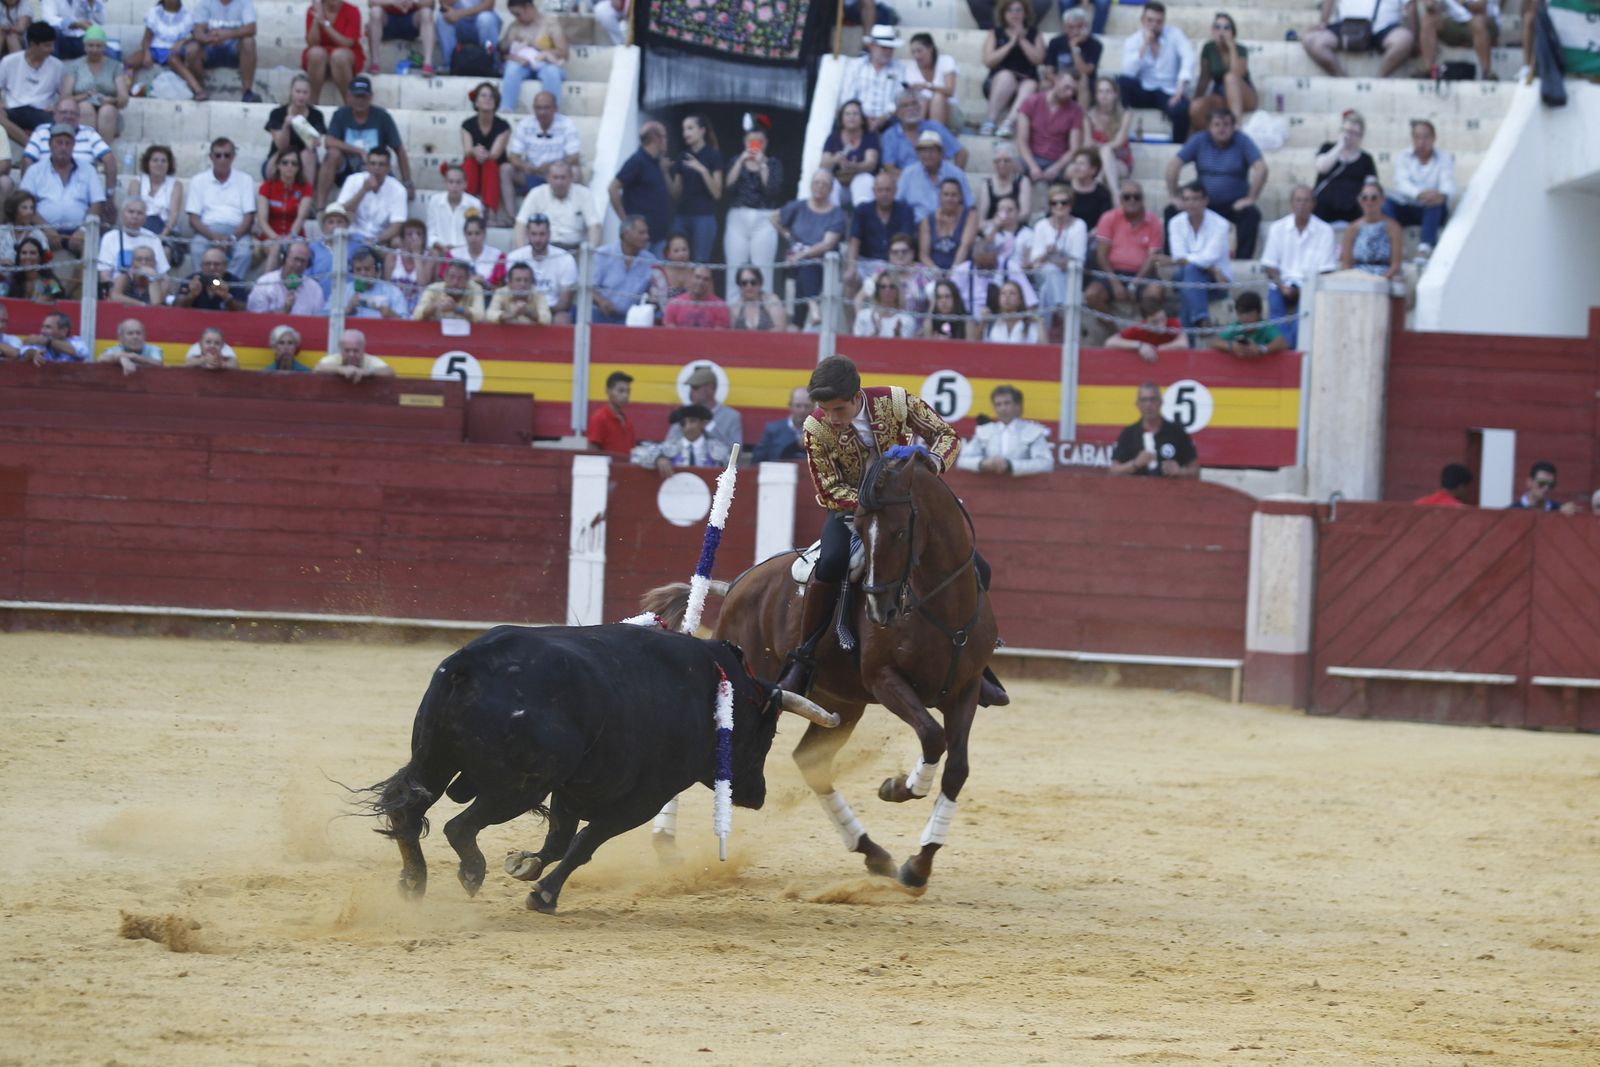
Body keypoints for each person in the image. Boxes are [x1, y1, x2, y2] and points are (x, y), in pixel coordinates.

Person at [774, 355, 1008, 706]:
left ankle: (976, 661)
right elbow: (827, 489)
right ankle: (804, 657)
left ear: (857, 396)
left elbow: (946, 435)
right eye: (825, 410)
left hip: (908, 511)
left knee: (978, 568)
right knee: (832, 562)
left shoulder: (895, 401)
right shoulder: (816, 427)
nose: (832, 419)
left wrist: (931, 462)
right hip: (851, 513)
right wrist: (872, 506)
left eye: (838, 409)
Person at [1165, 106, 1266, 258]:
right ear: (1209, 127)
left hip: (1233, 204)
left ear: (1233, 127)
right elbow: (1174, 165)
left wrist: (1250, 198)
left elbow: (1261, 168)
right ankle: (1171, 258)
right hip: (1201, 202)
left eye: (1226, 125)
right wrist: (1174, 195)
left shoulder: (1243, 141)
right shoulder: (1199, 139)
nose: (1222, 129)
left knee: (1251, 214)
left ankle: (1242, 261)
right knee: (1171, 210)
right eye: (1217, 125)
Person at [1260, 184, 1336, 349]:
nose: (1302, 205)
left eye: (1306, 200)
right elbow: (1270, 266)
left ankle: (1287, 349)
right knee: (1276, 307)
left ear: (1313, 204)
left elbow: (1326, 270)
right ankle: (1289, 349)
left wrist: (1302, 290)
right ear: (1291, 203)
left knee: (1303, 315)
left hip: (1309, 286)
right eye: (1298, 200)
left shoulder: (1325, 231)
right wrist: (1282, 286)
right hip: (1281, 284)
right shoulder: (1277, 228)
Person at [318, 76, 409, 213]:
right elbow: (328, 141)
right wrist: (358, 151)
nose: (359, 101)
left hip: (376, 167)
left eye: (363, 97)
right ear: (348, 96)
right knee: (332, 154)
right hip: (347, 168)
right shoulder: (341, 115)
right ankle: (320, 207)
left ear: (371, 97)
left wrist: (408, 182)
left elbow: (399, 149)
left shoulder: (382, 116)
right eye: (356, 96)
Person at [18, 121, 102, 255]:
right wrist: (46, 229)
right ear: (50, 145)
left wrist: (83, 230)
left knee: (91, 245)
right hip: (41, 229)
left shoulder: (88, 170)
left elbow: (97, 203)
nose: (63, 147)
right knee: (29, 245)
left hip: (79, 230)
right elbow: (25, 204)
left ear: (73, 146)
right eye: (59, 142)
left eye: (67, 143)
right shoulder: (35, 170)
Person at [1118, 2, 1196, 144]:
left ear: (1164, 21)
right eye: (1150, 20)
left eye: (1158, 21)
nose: (1154, 25)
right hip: (1145, 89)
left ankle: (1177, 147)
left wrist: (1180, 86)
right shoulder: (1133, 40)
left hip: (1168, 90)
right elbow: (1128, 71)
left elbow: (1188, 56)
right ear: (1142, 20)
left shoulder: (1174, 34)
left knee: (1181, 110)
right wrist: (1145, 45)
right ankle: (1122, 127)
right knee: (1122, 82)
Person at [1086, 177, 1165, 314]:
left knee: (1155, 293)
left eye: (1136, 197)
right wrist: (1115, 283)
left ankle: (1144, 333)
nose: (1132, 200)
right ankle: (1116, 332)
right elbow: (1101, 256)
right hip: (1111, 272)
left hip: (1143, 274)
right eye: (1127, 197)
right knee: (1092, 295)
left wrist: (1134, 284)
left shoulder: (1154, 221)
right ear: (1121, 199)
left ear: (1143, 199)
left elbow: (1153, 258)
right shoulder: (1108, 217)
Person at [721, 125, 783, 299]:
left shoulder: (773, 163)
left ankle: (765, 315)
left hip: (763, 218)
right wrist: (741, 161)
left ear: (765, 143)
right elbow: (728, 187)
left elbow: (772, 190)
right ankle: (734, 314)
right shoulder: (736, 161)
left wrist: (762, 164)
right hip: (738, 217)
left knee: (763, 270)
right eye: (750, 141)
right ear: (744, 142)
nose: (754, 145)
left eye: (759, 142)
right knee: (734, 268)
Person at [775, 168, 847, 319]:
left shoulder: (837, 214)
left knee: (807, 265)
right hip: (796, 263)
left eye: (824, 184)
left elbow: (827, 244)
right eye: (816, 183)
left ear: (831, 188)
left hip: (822, 263)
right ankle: (811, 307)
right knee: (803, 267)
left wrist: (803, 254)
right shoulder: (798, 207)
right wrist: (787, 235)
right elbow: (774, 217)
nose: (819, 187)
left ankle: (804, 314)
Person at [1384, 119, 1456, 259]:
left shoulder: (1444, 157)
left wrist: (1440, 196)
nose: (1421, 142)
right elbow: (1401, 183)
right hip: (1409, 206)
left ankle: (1425, 248)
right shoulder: (1403, 157)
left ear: (1433, 138)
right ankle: (1397, 247)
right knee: (1386, 204)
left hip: (1432, 208)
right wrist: (1419, 194)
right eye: (1417, 137)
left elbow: (1448, 184)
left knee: (1435, 204)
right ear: (1412, 138)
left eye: (1426, 137)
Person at [186, 135, 255, 278]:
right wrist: (213, 237)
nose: (222, 159)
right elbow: (193, 219)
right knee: (197, 248)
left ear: (233, 157)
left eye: (227, 155)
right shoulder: (198, 181)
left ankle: (229, 289)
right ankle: (203, 287)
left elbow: (249, 217)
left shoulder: (246, 180)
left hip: (237, 232)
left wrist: (232, 238)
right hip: (207, 231)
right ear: (211, 157)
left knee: (244, 252)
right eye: (218, 155)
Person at [1166, 181, 1232, 328]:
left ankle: (1190, 335)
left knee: (1187, 281)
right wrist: (1212, 269)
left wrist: (1203, 265)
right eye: (1186, 199)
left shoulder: (1220, 224)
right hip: (1211, 274)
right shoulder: (1174, 222)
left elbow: (1210, 256)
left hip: (1216, 282)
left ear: (1205, 201)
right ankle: (1201, 319)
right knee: (1189, 275)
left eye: (1195, 199)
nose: (1191, 204)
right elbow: (1178, 255)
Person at [957, 384, 1054, 477]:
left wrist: (1010, 465)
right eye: (998, 404)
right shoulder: (985, 431)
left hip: (1023, 489)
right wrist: (984, 463)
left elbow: (1045, 463)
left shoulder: (1032, 431)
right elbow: (963, 460)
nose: (1002, 408)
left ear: (1017, 406)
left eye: (1007, 403)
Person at [979, 0, 1043, 139]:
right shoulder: (995, 33)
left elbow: (1038, 59)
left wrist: (1021, 40)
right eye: (1010, 10)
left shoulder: (1034, 33)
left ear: (1025, 13)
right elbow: (988, 61)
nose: (1015, 14)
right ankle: (990, 121)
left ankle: (1008, 123)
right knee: (1006, 76)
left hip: (1027, 80)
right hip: (998, 81)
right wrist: (1010, 43)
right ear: (1003, 14)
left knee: (1031, 84)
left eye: (1018, 10)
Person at [1302, 0, 1414, 79]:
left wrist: (1415, 37)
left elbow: (1411, 6)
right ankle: (1341, 79)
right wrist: (1323, 22)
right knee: (1311, 40)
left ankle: (1379, 79)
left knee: (1405, 39)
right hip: (1345, 28)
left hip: (1383, 29)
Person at [609, 119, 672, 254]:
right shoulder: (637, 161)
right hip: (641, 239)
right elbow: (613, 188)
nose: (667, 141)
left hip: (658, 235)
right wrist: (625, 220)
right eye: (664, 136)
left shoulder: (657, 162)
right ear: (656, 138)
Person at [1110, 381, 1198, 477]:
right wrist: (1135, 464)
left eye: (1153, 399)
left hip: (1170, 490)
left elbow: (1196, 472)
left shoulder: (1177, 432)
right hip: (1137, 490)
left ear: (1160, 402)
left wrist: (1180, 471)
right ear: (1137, 404)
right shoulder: (1128, 433)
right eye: (1144, 400)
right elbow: (1113, 471)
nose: (1148, 405)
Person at [505, 89, 579, 202]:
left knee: (575, 171)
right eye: (538, 108)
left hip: (557, 173)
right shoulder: (525, 124)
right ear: (534, 109)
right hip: (531, 172)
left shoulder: (567, 124)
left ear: (555, 108)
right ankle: (509, 215)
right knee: (505, 169)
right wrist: (526, 166)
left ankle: (571, 209)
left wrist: (553, 167)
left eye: (546, 108)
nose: (542, 112)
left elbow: (574, 157)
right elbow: (513, 156)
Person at [60, 25, 128, 143]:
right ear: (84, 47)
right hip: (81, 109)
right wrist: (84, 96)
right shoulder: (74, 65)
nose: (95, 49)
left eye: (99, 46)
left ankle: (102, 153)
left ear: (104, 47)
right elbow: (65, 97)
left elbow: (124, 98)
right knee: (85, 108)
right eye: (91, 45)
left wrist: (111, 100)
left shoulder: (115, 66)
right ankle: (87, 150)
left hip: (108, 111)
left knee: (107, 111)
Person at [0, 23, 64, 148]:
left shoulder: (58, 66)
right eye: (47, 45)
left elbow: (65, 94)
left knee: (61, 121)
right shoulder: (9, 61)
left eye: (52, 44)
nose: (52, 49)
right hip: (14, 108)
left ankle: (31, 149)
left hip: (42, 111)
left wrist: (57, 105)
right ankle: (32, 148)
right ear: (33, 44)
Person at [1015, 70, 1084, 186]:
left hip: (1057, 160)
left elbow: (1074, 148)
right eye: (1067, 87)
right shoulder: (1031, 102)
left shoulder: (1076, 110)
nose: (1069, 93)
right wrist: (1033, 167)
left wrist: (1056, 168)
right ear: (1056, 81)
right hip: (1032, 157)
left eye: (1073, 90)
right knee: (1010, 165)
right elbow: (1021, 141)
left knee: (1074, 170)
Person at [1026, 183, 1087, 313]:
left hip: (1070, 274)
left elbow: (1077, 259)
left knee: (1047, 288)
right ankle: (1061, 311)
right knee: (1051, 271)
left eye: (1063, 203)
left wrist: (1051, 258)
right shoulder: (1041, 226)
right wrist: (1048, 255)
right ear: (1050, 205)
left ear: (1070, 205)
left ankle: (1055, 314)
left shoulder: (1079, 225)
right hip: (1045, 275)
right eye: (1054, 203)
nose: (1059, 206)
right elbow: (1035, 261)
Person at [128, 0, 206, 101]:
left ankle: (198, 90)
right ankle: (127, 90)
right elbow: (147, 38)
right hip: (154, 49)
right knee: (130, 62)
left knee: (173, 59)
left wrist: (182, 42)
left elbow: (193, 36)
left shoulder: (186, 15)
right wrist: (147, 53)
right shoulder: (154, 12)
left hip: (173, 51)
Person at [1190, 12, 1254, 133]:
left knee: (1230, 78)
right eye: (1218, 27)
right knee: (1196, 107)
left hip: (1243, 94)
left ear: (1233, 32)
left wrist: (1231, 47)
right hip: (1220, 94)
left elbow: (1238, 75)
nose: (1222, 31)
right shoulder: (1208, 48)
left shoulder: (1241, 49)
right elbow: (1204, 79)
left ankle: (1236, 128)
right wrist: (1195, 100)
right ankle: (1211, 139)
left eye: (1226, 28)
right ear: (1213, 31)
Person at [514, 159, 596, 252]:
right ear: (548, 178)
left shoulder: (584, 194)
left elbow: (594, 225)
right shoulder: (536, 193)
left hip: (573, 250)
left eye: (563, 177)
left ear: (571, 177)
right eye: (555, 177)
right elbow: (521, 224)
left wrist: (592, 251)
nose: (559, 182)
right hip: (542, 249)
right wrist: (522, 252)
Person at [505, 213, 575, 321]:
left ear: (549, 234)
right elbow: (508, 293)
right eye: (534, 234)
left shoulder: (565, 259)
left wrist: (538, 313)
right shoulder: (514, 257)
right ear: (527, 234)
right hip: (519, 310)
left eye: (542, 234)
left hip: (552, 311)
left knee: (562, 318)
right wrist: (524, 310)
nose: (537, 239)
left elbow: (564, 303)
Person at [337, 147, 407, 255]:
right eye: (373, 164)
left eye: (381, 164)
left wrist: (374, 241)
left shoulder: (398, 190)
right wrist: (363, 191)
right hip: (352, 236)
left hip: (381, 240)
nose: (376, 168)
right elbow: (341, 212)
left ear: (388, 168)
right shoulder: (352, 180)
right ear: (367, 166)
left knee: (396, 243)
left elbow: (396, 226)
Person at [672, 113, 723, 263]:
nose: (685, 133)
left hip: (704, 216)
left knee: (700, 262)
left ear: (702, 130)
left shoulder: (714, 155)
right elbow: (676, 193)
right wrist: (664, 172)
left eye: (690, 128)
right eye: (684, 129)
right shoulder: (682, 156)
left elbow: (717, 193)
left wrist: (702, 170)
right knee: (676, 259)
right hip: (682, 214)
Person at [848, 169, 914, 284]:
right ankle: (848, 303)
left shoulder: (905, 211)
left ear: (895, 191)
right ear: (874, 191)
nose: (884, 194)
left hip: (895, 263)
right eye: (880, 190)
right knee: (851, 278)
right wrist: (851, 267)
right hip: (866, 263)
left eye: (888, 190)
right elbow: (855, 240)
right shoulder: (862, 210)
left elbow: (905, 241)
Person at [878, 89, 967, 173]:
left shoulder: (934, 127)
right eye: (905, 106)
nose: (911, 108)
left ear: (920, 107)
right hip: (906, 182)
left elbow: (962, 153)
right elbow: (889, 168)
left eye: (914, 104)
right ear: (897, 113)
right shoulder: (890, 135)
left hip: (936, 182)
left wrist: (954, 178)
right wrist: (913, 180)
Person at [1313, 109, 1376, 226]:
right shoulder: (1327, 148)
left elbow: (1371, 185)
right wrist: (1340, 147)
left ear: (1360, 136)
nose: (1349, 136)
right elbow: (1321, 167)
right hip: (1325, 205)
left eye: (1354, 133)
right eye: (1346, 131)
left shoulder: (1366, 159)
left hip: (1353, 207)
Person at [264, 72, 324, 192]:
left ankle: (306, 198)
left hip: (305, 161)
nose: (301, 96)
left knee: (308, 154)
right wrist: (286, 126)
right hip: (279, 157)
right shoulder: (278, 113)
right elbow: (281, 146)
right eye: (298, 91)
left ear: (310, 94)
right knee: (287, 158)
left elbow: (313, 144)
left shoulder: (316, 115)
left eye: (305, 92)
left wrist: (301, 125)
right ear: (291, 92)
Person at [897, 129, 972, 224]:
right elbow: (897, 204)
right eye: (923, 151)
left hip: (950, 226)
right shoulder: (908, 173)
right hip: (917, 227)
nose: (927, 155)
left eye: (932, 151)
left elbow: (970, 206)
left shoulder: (956, 174)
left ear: (941, 153)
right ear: (918, 154)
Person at [499, 0, 564, 109]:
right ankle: (506, 109)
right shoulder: (515, 26)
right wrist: (511, 49)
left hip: (546, 64)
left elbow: (563, 53)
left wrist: (537, 47)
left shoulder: (551, 24)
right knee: (511, 68)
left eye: (518, 14)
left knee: (552, 71)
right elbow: (503, 53)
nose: (516, 18)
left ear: (528, 7)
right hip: (522, 64)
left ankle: (553, 111)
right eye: (514, 15)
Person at [591, 215, 655, 324]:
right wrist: (602, 302)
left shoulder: (650, 260)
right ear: (626, 234)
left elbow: (655, 289)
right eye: (641, 233)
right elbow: (588, 288)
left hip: (632, 317)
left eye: (646, 233)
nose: (646, 237)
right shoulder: (602, 254)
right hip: (601, 313)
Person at [458, 82, 508, 221]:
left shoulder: (503, 126)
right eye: (483, 95)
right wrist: (474, 151)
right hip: (474, 165)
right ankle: (467, 208)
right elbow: (467, 150)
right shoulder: (467, 125)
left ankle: (490, 212)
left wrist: (481, 153)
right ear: (476, 102)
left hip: (493, 167)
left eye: (491, 96)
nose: (488, 99)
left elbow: (495, 154)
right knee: (470, 163)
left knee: (490, 164)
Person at [254, 148, 313, 264]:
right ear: (278, 166)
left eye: (294, 163)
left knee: (295, 251)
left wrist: (290, 237)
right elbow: (262, 220)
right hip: (270, 236)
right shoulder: (267, 186)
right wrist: (276, 238)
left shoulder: (306, 188)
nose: (289, 166)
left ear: (299, 167)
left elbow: (301, 217)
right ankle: (269, 282)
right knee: (276, 248)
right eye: (285, 162)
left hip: (296, 236)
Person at [840, 24, 903, 130]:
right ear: (871, 46)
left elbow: (899, 98)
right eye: (883, 47)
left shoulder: (899, 68)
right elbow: (848, 97)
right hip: (859, 120)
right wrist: (864, 118)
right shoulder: (855, 66)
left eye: (890, 48)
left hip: (889, 121)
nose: (888, 51)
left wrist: (883, 118)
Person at [193, 0, 258, 100]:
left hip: (234, 49)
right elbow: (198, 31)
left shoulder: (244, 2)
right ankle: (198, 91)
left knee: (248, 42)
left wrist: (226, 35)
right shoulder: (205, 2)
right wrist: (209, 39)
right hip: (211, 47)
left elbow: (251, 28)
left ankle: (247, 92)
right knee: (192, 49)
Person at [821, 99, 879, 209]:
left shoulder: (870, 136)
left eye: (855, 114)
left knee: (864, 179)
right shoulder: (833, 137)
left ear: (862, 119)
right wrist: (835, 159)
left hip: (859, 184)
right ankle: (831, 221)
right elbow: (823, 164)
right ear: (842, 119)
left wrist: (854, 167)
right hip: (839, 185)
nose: (851, 117)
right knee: (826, 179)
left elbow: (871, 163)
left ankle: (863, 220)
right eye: (847, 114)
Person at [1339, 178, 1402, 280]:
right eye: (1365, 197)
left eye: (1374, 197)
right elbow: (1346, 264)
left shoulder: (1393, 227)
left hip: (1384, 277)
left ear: (1382, 200)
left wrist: (1380, 281)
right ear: (1359, 200)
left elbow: (1395, 265)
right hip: (1357, 278)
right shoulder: (1352, 228)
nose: (1369, 201)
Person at [641, 403, 732, 473]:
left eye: (692, 421)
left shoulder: (717, 448)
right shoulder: (670, 446)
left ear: (703, 423)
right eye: (683, 423)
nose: (687, 427)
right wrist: (658, 459)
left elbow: (732, 469)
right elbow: (639, 456)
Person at [1418, 0, 1497, 80]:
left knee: (1478, 22)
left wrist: (1463, 2)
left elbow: (1480, 8)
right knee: (1428, 20)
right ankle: (1428, 70)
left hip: (1485, 22)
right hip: (1455, 23)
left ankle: (1487, 72)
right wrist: (1431, 5)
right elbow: (1436, 7)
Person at [1106, 286, 1188, 362]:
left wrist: (1155, 349)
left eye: (1163, 319)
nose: (1161, 326)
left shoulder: (1172, 323)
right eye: (1155, 322)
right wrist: (1140, 346)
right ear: (1146, 322)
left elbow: (1183, 344)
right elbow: (1110, 343)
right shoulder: (1140, 328)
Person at [302, 0, 362, 104]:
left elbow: (347, 42)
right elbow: (312, 42)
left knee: (338, 56)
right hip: (322, 52)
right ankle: (313, 103)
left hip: (346, 52)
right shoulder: (313, 10)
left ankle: (349, 104)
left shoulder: (352, 11)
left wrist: (324, 24)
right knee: (315, 53)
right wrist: (317, 19)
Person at [97, 197, 171, 277]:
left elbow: (163, 274)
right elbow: (104, 274)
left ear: (145, 218)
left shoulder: (153, 238)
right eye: (131, 212)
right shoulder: (109, 238)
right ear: (122, 214)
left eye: (139, 213)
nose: (135, 216)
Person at [672, 362, 743, 446]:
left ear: (710, 388)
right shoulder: (684, 414)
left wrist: (711, 428)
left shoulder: (731, 417)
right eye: (691, 388)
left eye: (695, 388)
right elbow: (669, 444)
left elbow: (736, 451)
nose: (691, 392)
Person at [247, 239, 325, 314]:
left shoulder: (315, 290)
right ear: (284, 258)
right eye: (296, 259)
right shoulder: (264, 283)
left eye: (303, 261)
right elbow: (257, 321)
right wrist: (284, 310)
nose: (299, 265)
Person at [902, 32, 958, 131]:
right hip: (922, 110)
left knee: (938, 97)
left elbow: (950, 90)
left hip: (949, 111)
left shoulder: (946, 61)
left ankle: (935, 137)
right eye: (913, 52)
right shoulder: (910, 68)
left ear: (930, 49)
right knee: (921, 100)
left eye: (919, 51)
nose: (916, 56)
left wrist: (926, 86)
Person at [334, 245, 409, 318]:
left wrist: (391, 314)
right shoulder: (343, 291)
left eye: (367, 269)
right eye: (358, 269)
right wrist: (348, 309)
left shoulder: (393, 292)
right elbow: (325, 317)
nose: (363, 274)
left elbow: (407, 324)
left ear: (377, 270)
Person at [919, 176, 976, 272]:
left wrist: (953, 271)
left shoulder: (970, 215)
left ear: (960, 197)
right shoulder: (927, 220)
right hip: (934, 271)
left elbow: (965, 246)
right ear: (939, 196)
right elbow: (924, 254)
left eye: (954, 195)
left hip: (961, 270)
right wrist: (936, 271)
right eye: (946, 194)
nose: (949, 199)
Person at [129, 144, 181, 247]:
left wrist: (160, 238)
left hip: (165, 231)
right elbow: (132, 211)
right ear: (148, 163)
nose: (159, 164)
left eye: (163, 161)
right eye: (155, 160)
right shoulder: (137, 182)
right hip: (140, 229)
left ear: (169, 164)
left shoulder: (176, 185)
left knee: (165, 250)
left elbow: (173, 216)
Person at [426, 163, 483, 256]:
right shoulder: (435, 201)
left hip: (466, 253)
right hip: (440, 251)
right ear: (445, 182)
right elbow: (430, 233)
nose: (454, 186)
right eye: (451, 182)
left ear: (465, 184)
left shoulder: (474, 204)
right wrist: (440, 246)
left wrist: (459, 250)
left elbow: (477, 234)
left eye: (458, 182)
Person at [367, 0, 437, 76]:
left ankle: (427, 64)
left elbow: (430, 3)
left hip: (411, 21)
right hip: (387, 21)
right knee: (375, 11)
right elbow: (371, 2)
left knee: (427, 12)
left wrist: (414, 3)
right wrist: (393, 2)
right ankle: (374, 63)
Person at [1083, 75, 1132, 185]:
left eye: (1108, 91)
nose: (1104, 95)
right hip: (1095, 162)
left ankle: (1099, 184)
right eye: (1100, 92)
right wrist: (1102, 148)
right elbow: (1087, 144)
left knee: (1106, 152)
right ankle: (1114, 194)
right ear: (1096, 95)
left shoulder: (1125, 114)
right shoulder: (1088, 116)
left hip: (1120, 161)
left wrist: (1099, 146)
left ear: (1115, 94)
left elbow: (1118, 143)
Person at [1209, 291, 1287, 358]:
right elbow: (1214, 341)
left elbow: (1282, 343)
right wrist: (1232, 346)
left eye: (1249, 314)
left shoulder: (1265, 326)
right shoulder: (1237, 326)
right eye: (1241, 314)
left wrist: (1261, 349)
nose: (1245, 318)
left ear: (1259, 313)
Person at [1045, 8, 1102, 95]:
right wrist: (1062, 82)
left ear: (1086, 26)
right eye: (1071, 27)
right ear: (1064, 28)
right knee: (1044, 84)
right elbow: (1049, 72)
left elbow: (1085, 71)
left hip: (1081, 82)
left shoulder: (1095, 45)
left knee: (1084, 82)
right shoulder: (1055, 42)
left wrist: (1074, 47)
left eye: (1079, 27)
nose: (1075, 31)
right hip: (1059, 80)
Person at [174, 244, 247, 310]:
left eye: (217, 264)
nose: (212, 268)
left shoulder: (235, 282)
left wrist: (227, 297)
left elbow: (242, 311)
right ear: (201, 266)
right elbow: (176, 308)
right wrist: (191, 296)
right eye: (208, 264)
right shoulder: (191, 280)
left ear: (225, 267)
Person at [435, 0, 499, 74]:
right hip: (459, 23)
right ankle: (449, 64)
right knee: (442, 17)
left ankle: (491, 63)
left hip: (480, 23)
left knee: (487, 19)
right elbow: (444, 4)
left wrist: (460, 13)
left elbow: (489, 5)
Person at [412, 258, 485, 321]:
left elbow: (479, 316)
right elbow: (417, 314)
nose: (455, 282)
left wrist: (457, 308)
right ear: (445, 276)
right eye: (452, 277)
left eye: (460, 278)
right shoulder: (433, 288)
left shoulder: (475, 289)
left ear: (467, 280)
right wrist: (435, 305)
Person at [383, 216, 432, 311]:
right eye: (410, 234)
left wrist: (416, 254)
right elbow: (387, 287)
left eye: (419, 234)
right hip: (395, 308)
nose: (415, 238)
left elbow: (423, 285)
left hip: (418, 309)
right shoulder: (392, 256)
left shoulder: (429, 257)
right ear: (402, 239)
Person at [977, 142, 1031, 224]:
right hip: (993, 229)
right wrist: (996, 224)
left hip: (1015, 228)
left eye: (1006, 161)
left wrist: (1003, 221)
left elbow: (1025, 213)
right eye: (997, 161)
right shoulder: (986, 183)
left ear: (1013, 162)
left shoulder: (1023, 181)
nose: (1002, 164)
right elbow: (982, 217)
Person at [753, 386, 811, 463]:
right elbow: (757, 461)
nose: (802, 410)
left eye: (807, 406)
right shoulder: (772, 430)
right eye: (798, 406)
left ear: (813, 407)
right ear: (790, 406)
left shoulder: (819, 432)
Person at [662, 265, 729, 329]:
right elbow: (671, 335)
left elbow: (718, 337)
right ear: (690, 277)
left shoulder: (720, 306)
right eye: (697, 277)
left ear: (710, 283)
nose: (700, 282)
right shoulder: (674, 304)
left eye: (706, 279)